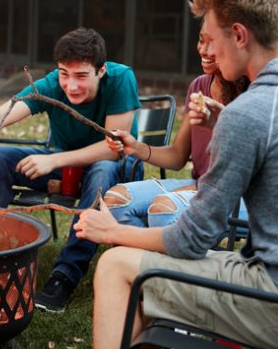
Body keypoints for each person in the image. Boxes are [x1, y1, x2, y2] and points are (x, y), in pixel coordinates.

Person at [75, 0, 278, 349]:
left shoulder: (253, 112)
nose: (210, 53)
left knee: (116, 266)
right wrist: (227, 125)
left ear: (239, 35)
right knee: (152, 286)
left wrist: (111, 231)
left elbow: (191, 240)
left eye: (213, 40)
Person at [0, 27, 142, 312]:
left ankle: (65, 275)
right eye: (64, 74)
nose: (71, 85)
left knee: (101, 171)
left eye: (81, 76)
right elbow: (3, 112)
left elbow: (114, 148)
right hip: (66, 166)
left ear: (101, 71)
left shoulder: (121, 78)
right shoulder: (50, 85)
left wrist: (53, 160)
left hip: (118, 168)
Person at [103, 21, 250, 231]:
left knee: (163, 210)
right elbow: (177, 156)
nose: (203, 50)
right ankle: (149, 259)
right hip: (201, 187)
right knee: (117, 201)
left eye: (213, 42)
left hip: (240, 198)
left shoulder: (254, 92)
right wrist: (135, 147)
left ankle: (165, 260)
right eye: (201, 40)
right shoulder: (199, 87)